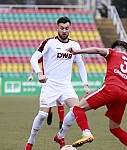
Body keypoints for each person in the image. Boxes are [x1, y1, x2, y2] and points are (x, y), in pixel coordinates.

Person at [62, 40, 127, 150]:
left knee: (77, 108)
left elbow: (98, 50)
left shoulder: (113, 52)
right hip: (123, 95)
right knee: (115, 128)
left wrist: (77, 52)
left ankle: (86, 133)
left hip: (111, 88)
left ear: (115, 48)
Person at [24, 16, 90, 150]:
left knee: (76, 110)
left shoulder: (75, 45)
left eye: (67, 28)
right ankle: (30, 142)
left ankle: (61, 135)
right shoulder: (49, 42)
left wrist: (85, 83)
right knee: (42, 115)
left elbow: (81, 65)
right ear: (57, 28)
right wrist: (39, 73)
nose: (64, 31)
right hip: (50, 84)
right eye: (62, 28)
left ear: (70, 28)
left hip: (66, 85)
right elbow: (34, 58)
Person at [28, 58, 64, 129]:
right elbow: (35, 62)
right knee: (49, 99)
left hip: (59, 80)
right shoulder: (44, 54)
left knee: (59, 101)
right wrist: (31, 74)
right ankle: (49, 113)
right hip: (47, 81)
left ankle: (61, 122)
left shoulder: (58, 54)